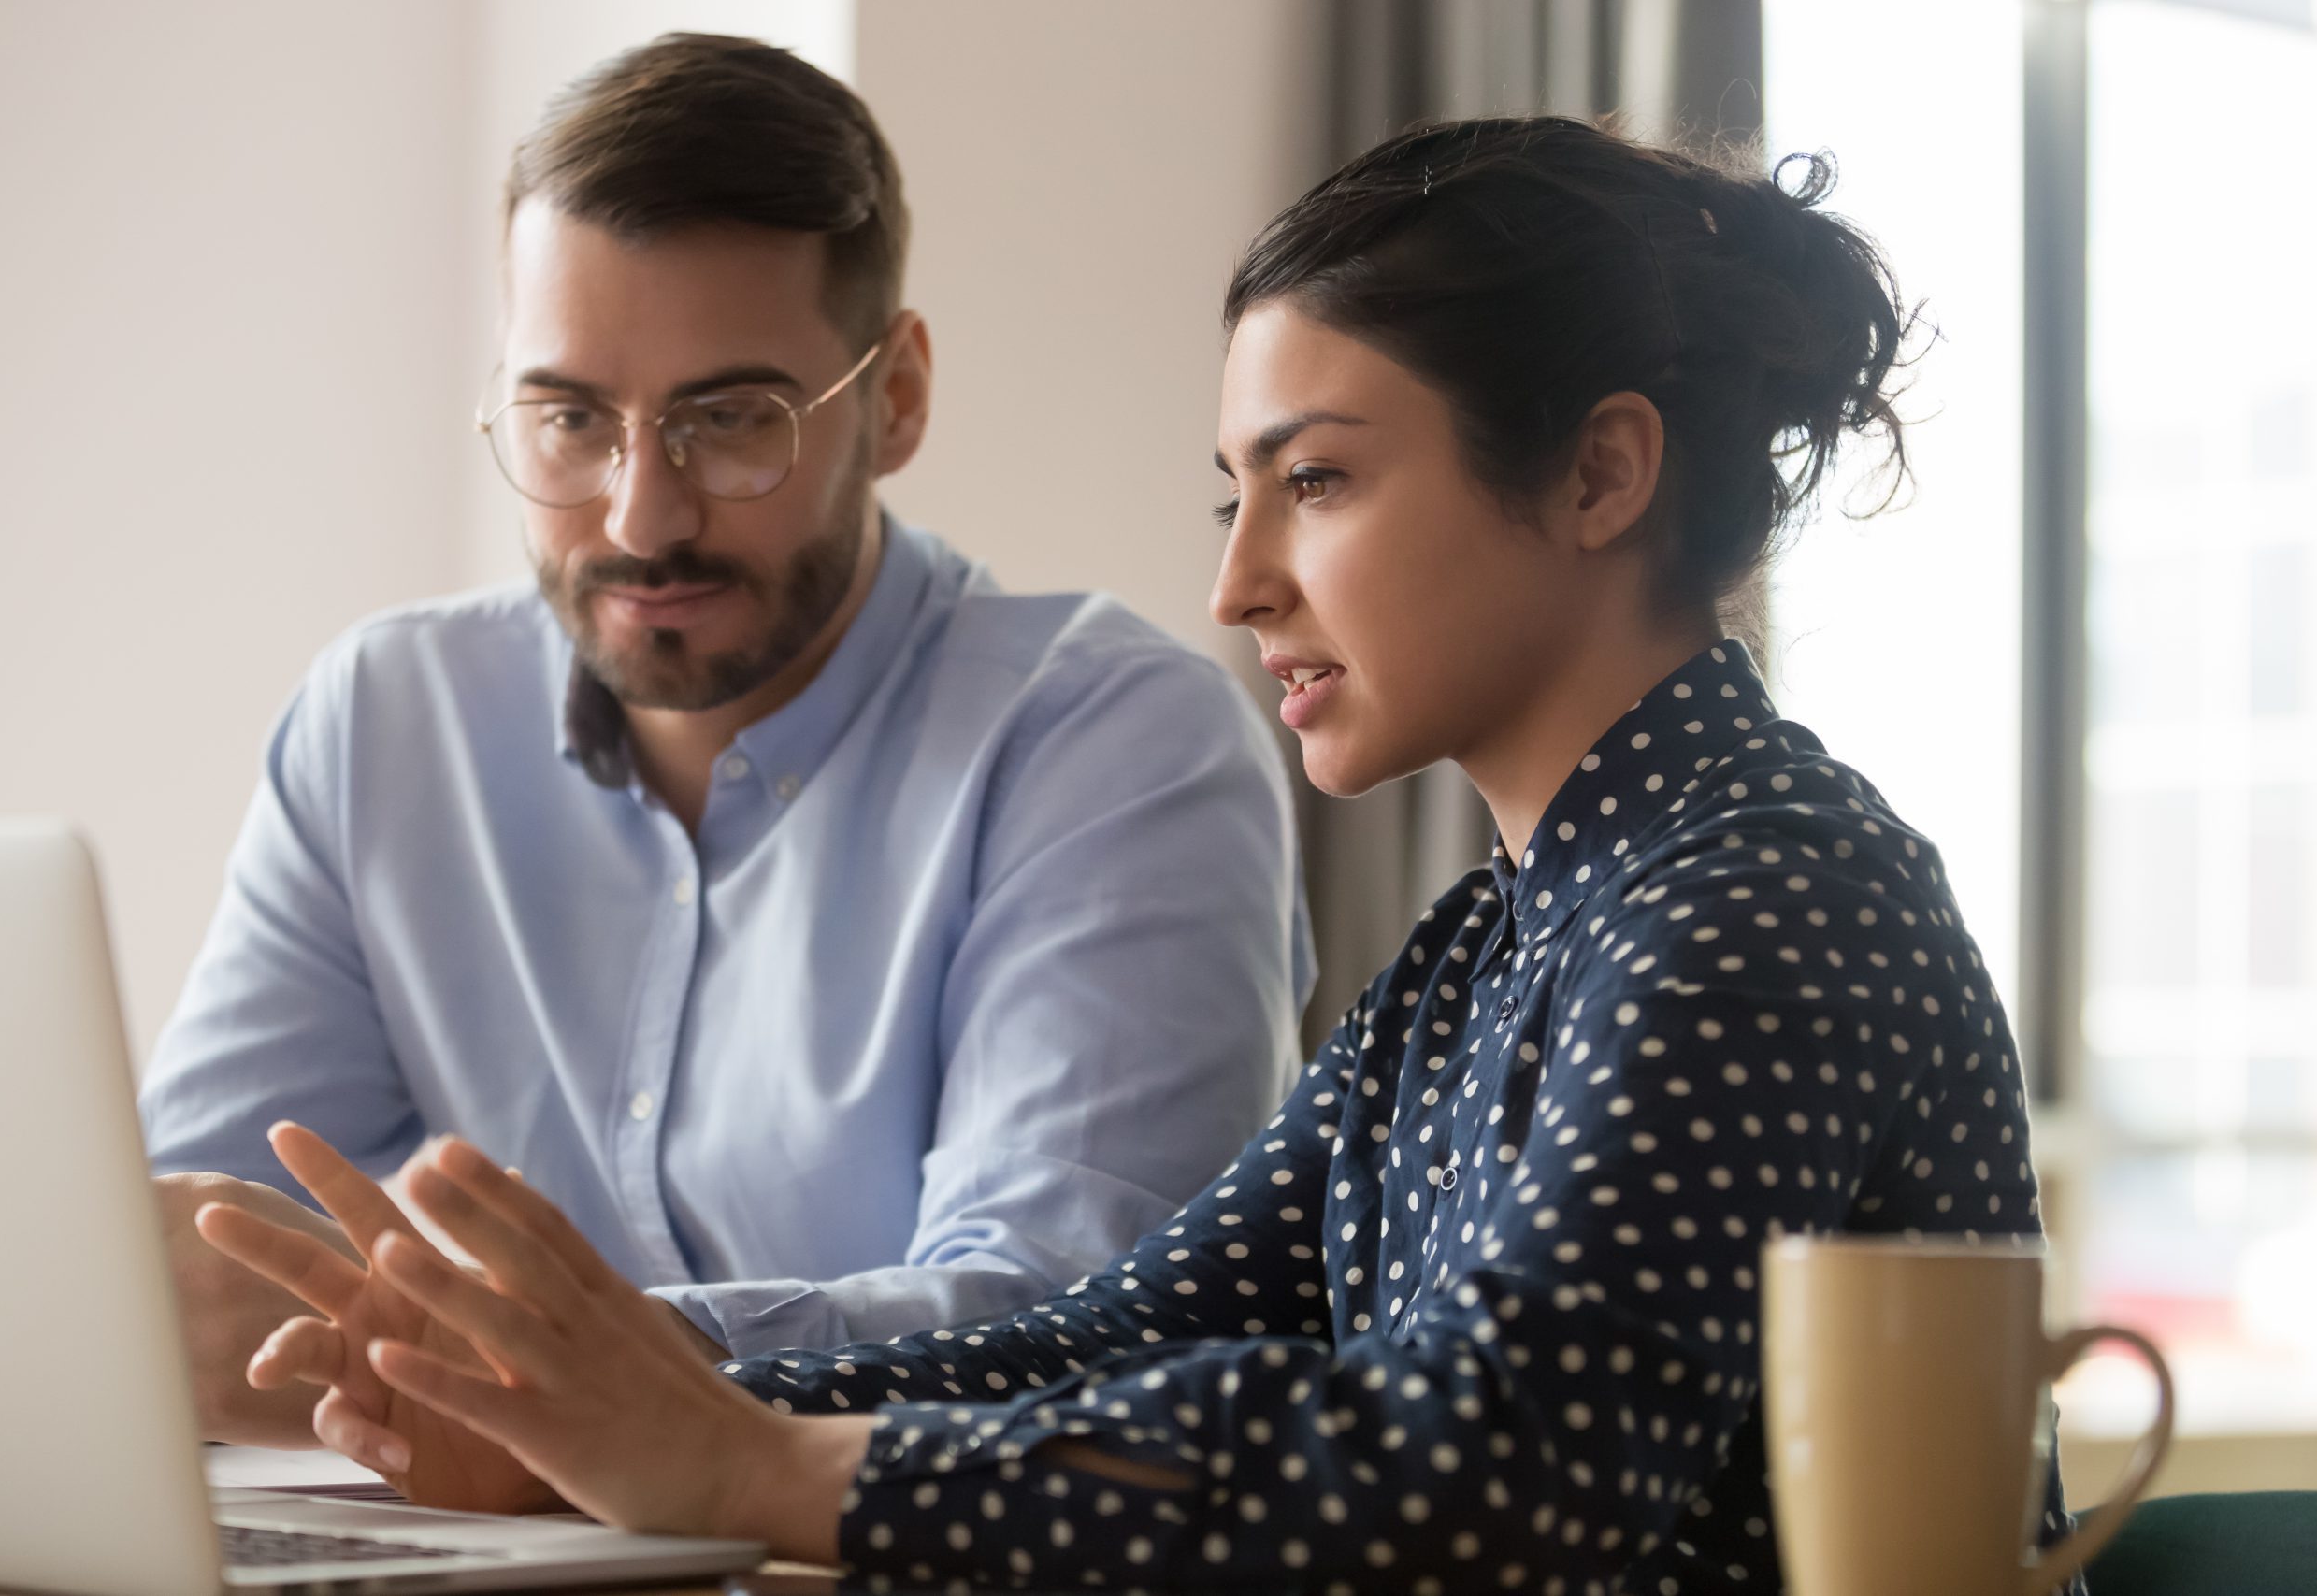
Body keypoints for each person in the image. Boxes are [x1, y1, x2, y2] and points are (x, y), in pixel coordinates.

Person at [199, 115, 2074, 1594]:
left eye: (1316, 478)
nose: (1234, 579)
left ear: (1597, 474)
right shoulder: (1486, 948)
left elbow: (1502, 1474)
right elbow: (1112, 1335)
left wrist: (747, 1462)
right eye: (1232, 491)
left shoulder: (1761, 893)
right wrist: (583, 1402)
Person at [139, 33, 1311, 1459]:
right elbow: (192, 1257)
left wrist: (556, 1377)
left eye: (730, 421)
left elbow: (1068, 1320)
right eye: (569, 419)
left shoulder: (1117, 744)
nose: (644, 516)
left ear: (897, 398)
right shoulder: (386, 722)